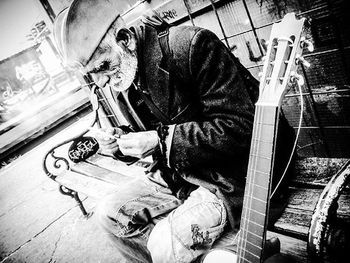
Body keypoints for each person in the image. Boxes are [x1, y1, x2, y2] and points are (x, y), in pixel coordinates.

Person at [54, 1, 294, 262]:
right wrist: (120, 142)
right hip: (179, 176)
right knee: (108, 214)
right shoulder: (121, 75)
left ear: (124, 40)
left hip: (230, 177)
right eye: (92, 75)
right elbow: (148, 137)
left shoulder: (192, 46)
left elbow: (243, 126)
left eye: (102, 67)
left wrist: (162, 140)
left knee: (164, 243)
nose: (101, 81)